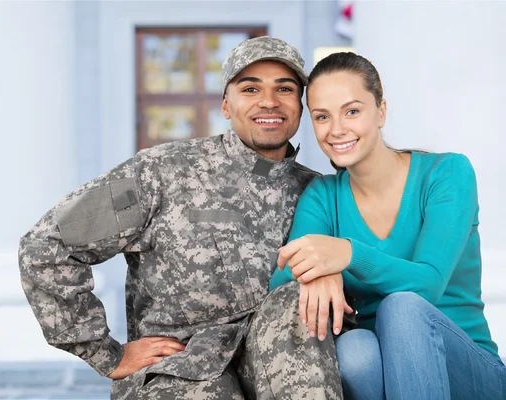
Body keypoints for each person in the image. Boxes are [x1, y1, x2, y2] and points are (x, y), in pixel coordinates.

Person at [18, 36, 349, 400]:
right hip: (178, 368)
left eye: (284, 89)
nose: (268, 101)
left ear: (300, 105)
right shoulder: (162, 172)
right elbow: (47, 245)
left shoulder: (319, 193)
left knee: (296, 298)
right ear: (226, 104)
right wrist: (106, 353)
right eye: (250, 88)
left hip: (280, 367)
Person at [269, 51, 506, 399]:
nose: (337, 130)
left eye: (352, 111)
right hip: (385, 376)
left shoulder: (446, 174)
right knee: (355, 351)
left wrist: (346, 254)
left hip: (473, 375)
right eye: (322, 116)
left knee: (402, 308)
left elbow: (427, 284)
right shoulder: (323, 196)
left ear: (380, 111)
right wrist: (322, 269)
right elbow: (282, 278)